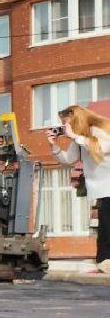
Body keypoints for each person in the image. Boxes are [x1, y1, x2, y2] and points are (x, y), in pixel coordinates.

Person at [48, 104, 110, 273]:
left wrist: (76, 136)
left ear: (77, 120)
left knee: (107, 226)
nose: (65, 127)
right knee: (104, 227)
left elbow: (102, 148)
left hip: (108, 186)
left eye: (67, 123)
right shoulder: (80, 139)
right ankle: (104, 261)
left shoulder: (98, 130)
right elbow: (69, 159)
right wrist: (53, 145)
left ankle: (104, 260)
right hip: (103, 189)